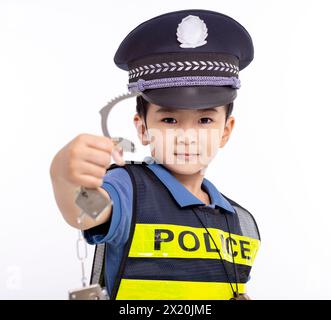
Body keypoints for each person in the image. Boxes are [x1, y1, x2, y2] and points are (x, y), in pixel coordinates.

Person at [50, 9, 261, 300]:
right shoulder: (127, 190)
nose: (187, 136)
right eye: (170, 120)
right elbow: (86, 212)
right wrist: (64, 177)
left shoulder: (240, 220)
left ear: (226, 130)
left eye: (205, 120)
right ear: (143, 128)